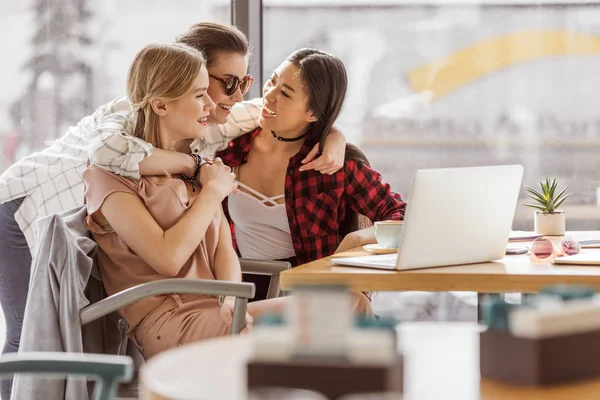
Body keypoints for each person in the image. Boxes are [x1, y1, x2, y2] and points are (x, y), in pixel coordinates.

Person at [0, 22, 344, 398]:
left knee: (347, 310)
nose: (227, 99)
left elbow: (273, 114)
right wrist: (206, 184)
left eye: (242, 82)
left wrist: (332, 136)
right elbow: (107, 164)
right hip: (22, 204)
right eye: (221, 85)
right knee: (27, 339)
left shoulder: (198, 148)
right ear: (180, 85)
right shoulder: (119, 139)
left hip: (204, 308)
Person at [83, 42, 368, 360]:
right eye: (198, 95)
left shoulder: (194, 163)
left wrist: (232, 299)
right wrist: (212, 193)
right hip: (169, 324)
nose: (211, 105)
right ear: (162, 106)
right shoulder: (107, 177)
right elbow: (168, 257)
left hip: (218, 312)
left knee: (352, 303)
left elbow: (223, 250)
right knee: (339, 317)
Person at [215, 49, 406, 298]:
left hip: (309, 294)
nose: (269, 95)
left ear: (313, 113)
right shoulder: (230, 149)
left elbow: (403, 217)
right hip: (237, 291)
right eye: (272, 81)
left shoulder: (332, 165)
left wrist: (357, 239)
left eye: (285, 93)